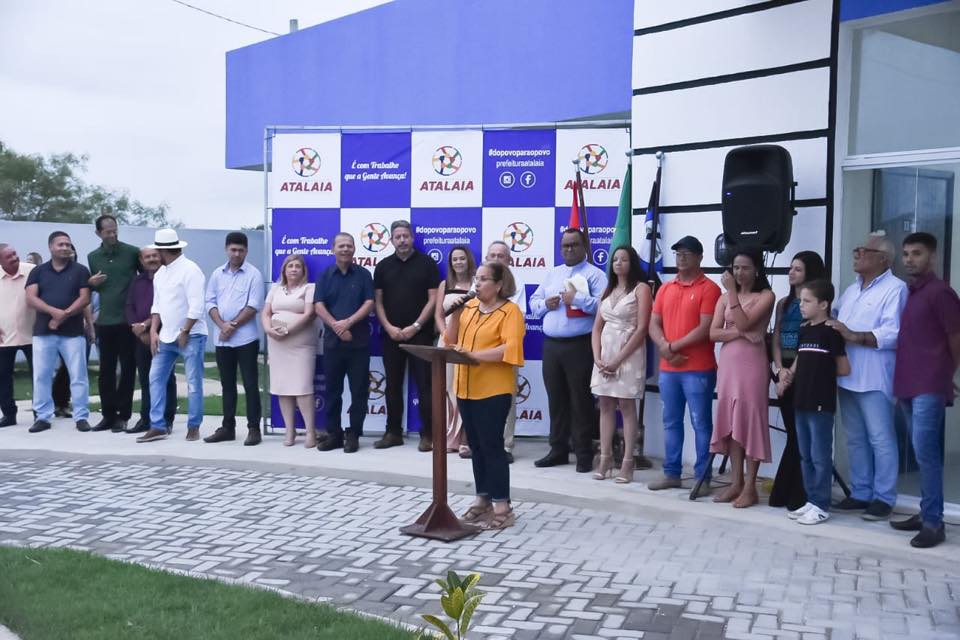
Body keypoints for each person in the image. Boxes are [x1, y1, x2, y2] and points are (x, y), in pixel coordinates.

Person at [826, 231, 907, 521]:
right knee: (855, 438)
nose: (856, 254)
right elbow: (835, 319)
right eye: (856, 250)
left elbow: (894, 333)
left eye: (863, 251)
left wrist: (854, 335)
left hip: (875, 377)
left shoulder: (896, 289)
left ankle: (884, 498)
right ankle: (861, 492)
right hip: (847, 374)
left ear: (883, 259)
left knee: (881, 439)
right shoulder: (852, 290)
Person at [890, 232, 960, 548]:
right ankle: (925, 512)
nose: (909, 259)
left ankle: (934, 523)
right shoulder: (911, 292)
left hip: (929, 385)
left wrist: (946, 373)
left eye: (916, 253)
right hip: (907, 383)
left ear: (932, 257)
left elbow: (956, 338)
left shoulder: (941, 293)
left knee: (926, 453)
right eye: (906, 254)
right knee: (920, 454)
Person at [446, 261, 525, 530]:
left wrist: (474, 356)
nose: (476, 284)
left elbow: (509, 349)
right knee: (476, 448)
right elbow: (451, 341)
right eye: (475, 279)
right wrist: (455, 313)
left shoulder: (510, 312)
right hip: (466, 388)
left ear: (498, 284)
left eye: (483, 279)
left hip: (493, 390)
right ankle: (482, 500)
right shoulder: (468, 308)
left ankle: (503, 506)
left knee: (492, 447)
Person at [647, 236, 721, 492]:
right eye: (678, 253)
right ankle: (672, 473)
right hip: (669, 368)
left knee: (701, 423)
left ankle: (702, 477)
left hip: (698, 368)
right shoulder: (666, 288)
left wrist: (671, 347)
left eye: (687, 253)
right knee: (671, 421)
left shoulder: (709, 289)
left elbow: (705, 328)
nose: (681, 258)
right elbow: (653, 323)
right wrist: (665, 347)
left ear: (700, 257)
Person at [530, 228, 607, 472]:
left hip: (580, 345)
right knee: (556, 399)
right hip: (552, 345)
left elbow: (604, 308)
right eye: (565, 245)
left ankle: (583, 453)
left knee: (580, 400)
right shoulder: (553, 273)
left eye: (574, 245)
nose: (569, 249)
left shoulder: (596, 275)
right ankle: (558, 450)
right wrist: (546, 304)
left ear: (584, 247)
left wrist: (577, 300)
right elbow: (533, 304)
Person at [776, 280, 850, 525]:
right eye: (801, 301)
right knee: (805, 454)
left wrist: (819, 374)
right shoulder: (804, 330)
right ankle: (811, 499)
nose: (802, 305)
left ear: (823, 304)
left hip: (820, 403)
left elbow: (843, 368)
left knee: (820, 455)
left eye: (807, 301)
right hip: (801, 401)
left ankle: (821, 504)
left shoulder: (831, 332)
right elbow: (800, 359)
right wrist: (787, 378)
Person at [709, 249, 776, 508]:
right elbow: (714, 333)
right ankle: (735, 482)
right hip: (729, 365)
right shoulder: (724, 298)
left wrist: (738, 324)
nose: (739, 273)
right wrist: (740, 333)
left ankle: (750, 486)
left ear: (756, 269)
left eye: (745, 267)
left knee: (749, 420)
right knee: (733, 421)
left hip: (752, 366)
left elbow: (745, 323)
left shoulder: (765, 296)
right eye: (735, 267)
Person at [373, 220, 440, 451]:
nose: (402, 240)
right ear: (391, 240)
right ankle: (393, 433)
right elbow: (378, 301)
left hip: (420, 335)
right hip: (391, 335)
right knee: (392, 385)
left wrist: (417, 325)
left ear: (412, 238)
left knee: (425, 386)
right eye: (397, 237)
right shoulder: (383, 266)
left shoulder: (427, 263)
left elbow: (434, 299)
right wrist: (388, 327)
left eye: (405, 236)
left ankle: (428, 434)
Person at [137, 229, 208, 443]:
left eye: (157, 250)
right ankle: (158, 426)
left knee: (193, 382)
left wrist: (185, 331)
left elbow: (197, 306)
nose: (155, 254)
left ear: (163, 251)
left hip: (191, 335)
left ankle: (193, 425)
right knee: (155, 378)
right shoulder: (161, 273)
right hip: (166, 335)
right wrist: (153, 331)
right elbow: (157, 306)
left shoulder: (191, 270)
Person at [769, 251, 826, 511]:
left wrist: (790, 373)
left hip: (804, 372)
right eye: (791, 268)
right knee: (793, 432)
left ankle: (798, 491)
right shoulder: (784, 303)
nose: (791, 273)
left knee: (801, 434)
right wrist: (780, 369)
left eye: (798, 269)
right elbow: (776, 338)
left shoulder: (815, 304)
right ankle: (786, 490)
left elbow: (809, 340)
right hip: (783, 371)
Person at [590, 246, 652, 484]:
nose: (618, 263)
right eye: (615, 259)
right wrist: (597, 357)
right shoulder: (607, 289)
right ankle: (605, 458)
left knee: (626, 405)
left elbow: (642, 329)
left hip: (629, 354)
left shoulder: (641, 289)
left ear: (632, 263)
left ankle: (627, 461)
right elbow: (597, 328)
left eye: (624, 259)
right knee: (605, 404)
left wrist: (617, 360)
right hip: (604, 355)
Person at [24, 231, 91, 433]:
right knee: (41, 376)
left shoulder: (80, 270)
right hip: (44, 332)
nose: (65, 248)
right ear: (50, 247)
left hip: (73, 333)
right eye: (60, 244)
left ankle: (81, 416)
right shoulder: (38, 271)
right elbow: (31, 298)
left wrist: (65, 314)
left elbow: (85, 298)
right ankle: (43, 417)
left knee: (78, 376)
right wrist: (54, 312)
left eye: (68, 245)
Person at [204, 232, 265, 446]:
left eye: (241, 250)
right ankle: (227, 427)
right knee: (227, 385)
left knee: (250, 384)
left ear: (246, 251)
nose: (237, 254)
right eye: (233, 249)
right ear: (226, 250)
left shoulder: (254, 274)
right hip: (222, 339)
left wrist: (232, 326)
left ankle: (254, 429)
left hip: (246, 339)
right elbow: (210, 302)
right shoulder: (217, 274)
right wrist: (222, 325)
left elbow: (254, 305)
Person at [87, 214, 141, 432]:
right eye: (107, 232)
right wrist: (91, 283)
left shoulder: (132, 252)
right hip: (105, 321)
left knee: (127, 369)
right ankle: (108, 415)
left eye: (115, 230)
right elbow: (94, 287)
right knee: (106, 371)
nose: (112, 235)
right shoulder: (93, 257)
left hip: (127, 321)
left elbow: (145, 279)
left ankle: (123, 415)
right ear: (98, 233)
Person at [262, 254, 319, 447]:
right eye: (290, 266)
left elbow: (309, 314)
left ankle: (310, 431)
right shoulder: (275, 289)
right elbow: (266, 313)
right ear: (284, 270)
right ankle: (289, 430)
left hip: (300, 344)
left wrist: (288, 330)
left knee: (302, 387)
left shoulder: (309, 288)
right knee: (282, 388)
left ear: (303, 271)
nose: (294, 269)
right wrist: (269, 329)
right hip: (277, 344)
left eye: (297, 266)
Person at [125, 247, 176, 434]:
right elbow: (129, 306)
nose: (152, 259)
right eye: (148, 257)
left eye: (155, 255)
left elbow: (166, 306)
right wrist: (137, 329)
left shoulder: (168, 278)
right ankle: (146, 419)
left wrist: (146, 326)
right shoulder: (137, 281)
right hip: (140, 336)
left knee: (166, 379)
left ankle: (166, 420)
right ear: (141, 260)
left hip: (164, 334)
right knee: (146, 379)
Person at [485, 240, 526, 464]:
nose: (496, 259)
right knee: (481, 401)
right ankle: (482, 443)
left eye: (501, 256)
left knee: (506, 400)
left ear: (509, 259)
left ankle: (506, 445)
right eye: (492, 255)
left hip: (504, 351)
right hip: (480, 351)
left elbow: (515, 317)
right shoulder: (479, 281)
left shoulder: (517, 282)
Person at [434, 246, 477, 457]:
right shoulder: (445, 285)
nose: (458, 262)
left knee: (465, 389)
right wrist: (445, 335)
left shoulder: (477, 283)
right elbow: (438, 315)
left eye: (462, 258)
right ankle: (448, 438)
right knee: (447, 389)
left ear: (468, 260)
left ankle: (464, 439)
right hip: (446, 342)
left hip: (469, 343)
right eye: (454, 259)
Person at [0, 244, 36, 428]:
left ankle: (40, 413)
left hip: (33, 333)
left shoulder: (32, 271)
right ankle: (8, 414)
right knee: (2, 377)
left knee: (39, 375)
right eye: (9, 256)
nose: (14, 258)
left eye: (14, 253)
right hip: (4, 337)